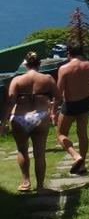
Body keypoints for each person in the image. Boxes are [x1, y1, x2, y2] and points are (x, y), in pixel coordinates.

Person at [4, 52, 58, 192]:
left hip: (20, 117)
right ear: (39, 64)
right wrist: (52, 110)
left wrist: (3, 121)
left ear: (25, 65)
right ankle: (40, 186)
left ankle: (26, 182)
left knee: (22, 150)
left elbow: (10, 102)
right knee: (39, 153)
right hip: (40, 116)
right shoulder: (47, 78)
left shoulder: (17, 80)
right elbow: (58, 97)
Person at [56, 43, 89, 174]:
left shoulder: (64, 68)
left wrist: (53, 107)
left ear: (69, 52)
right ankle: (83, 165)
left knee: (61, 134)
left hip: (70, 104)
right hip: (85, 102)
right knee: (82, 134)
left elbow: (59, 90)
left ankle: (76, 155)